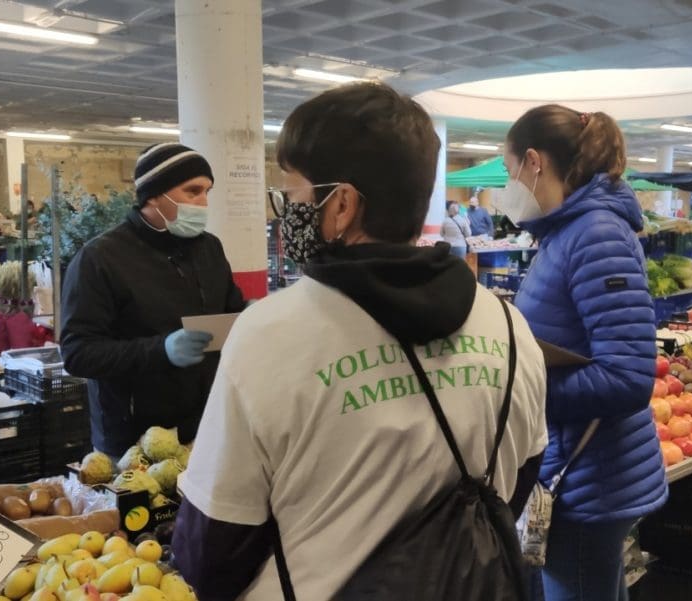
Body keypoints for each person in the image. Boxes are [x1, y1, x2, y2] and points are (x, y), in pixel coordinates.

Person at [172, 82, 548, 601]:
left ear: (342, 204)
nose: (286, 211)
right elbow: (520, 477)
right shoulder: (509, 327)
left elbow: (210, 552)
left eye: (293, 194)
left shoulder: (268, 336)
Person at [500, 107, 667, 601]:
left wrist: (522, 391)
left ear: (534, 162)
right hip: (582, 467)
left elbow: (629, 378)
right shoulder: (566, 233)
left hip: (589, 475)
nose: (509, 187)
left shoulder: (595, 234)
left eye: (510, 171)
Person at [60, 143, 246, 457]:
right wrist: (161, 350)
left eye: (207, 192)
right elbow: (78, 352)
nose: (203, 202)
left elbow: (231, 312)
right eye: (192, 191)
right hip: (134, 440)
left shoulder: (209, 249)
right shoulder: (101, 258)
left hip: (205, 427)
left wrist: (251, 318)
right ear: (154, 195)